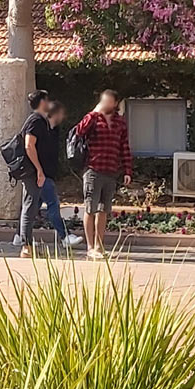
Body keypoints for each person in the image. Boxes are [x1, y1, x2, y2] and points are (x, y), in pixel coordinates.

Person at [74, 88, 132, 260]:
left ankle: (100, 246)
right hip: (93, 169)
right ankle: (90, 247)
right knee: (90, 208)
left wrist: (127, 170)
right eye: (103, 100)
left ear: (115, 103)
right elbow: (79, 131)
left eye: (108, 101)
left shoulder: (120, 122)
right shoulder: (93, 118)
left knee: (103, 210)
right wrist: (94, 112)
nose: (105, 103)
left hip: (111, 170)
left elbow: (124, 146)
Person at [38, 101, 83, 250]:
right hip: (42, 174)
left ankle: (20, 236)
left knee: (31, 207)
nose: (63, 116)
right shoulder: (41, 128)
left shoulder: (54, 130)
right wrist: (39, 171)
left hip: (47, 174)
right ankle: (65, 236)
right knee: (53, 205)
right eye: (61, 113)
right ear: (55, 113)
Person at [16, 89, 51, 257]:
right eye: (47, 100)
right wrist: (39, 169)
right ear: (42, 102)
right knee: (30, 206)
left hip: (33, 170)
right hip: (31, 171)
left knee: (31, 205)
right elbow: (29, 145)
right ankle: (26, 246)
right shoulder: (36, 120)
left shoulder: (38, 120)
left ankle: (26, 242)